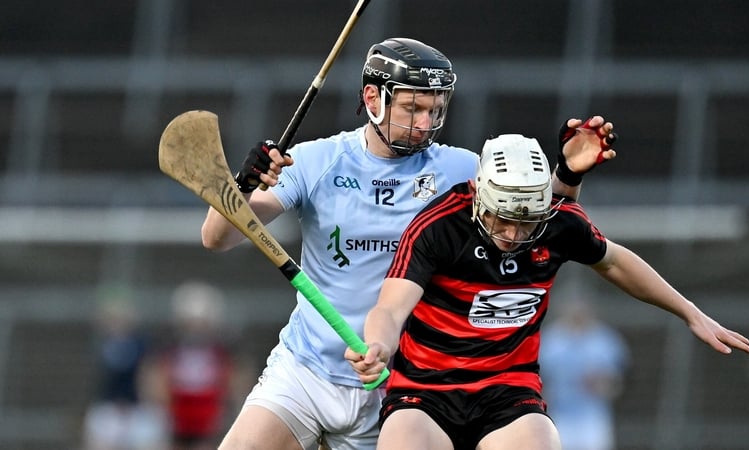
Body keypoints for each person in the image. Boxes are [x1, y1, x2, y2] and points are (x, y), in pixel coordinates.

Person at [201, 37, 616, 450]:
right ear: (373, 97)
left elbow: (538, 220)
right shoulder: (314, 161)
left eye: (434, 110)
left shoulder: (460, 170)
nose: (424, 123)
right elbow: (217, 237)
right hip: (307, 370)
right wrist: (244, 182)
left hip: (406, 388)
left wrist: (568, 176)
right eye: (412, 108)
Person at [345, 133, 749, 450]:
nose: (513, 233)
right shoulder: (438, 227)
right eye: (503, 219)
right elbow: (391, 307)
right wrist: (379, 343)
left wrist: (688, 312)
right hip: (424, 390)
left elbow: (614, 261)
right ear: (480, 194)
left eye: (526, 222)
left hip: (508, 388)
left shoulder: (559, 222)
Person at [145, 281, 247, 450]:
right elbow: (156, 374)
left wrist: (230, 403)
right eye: (191, 322)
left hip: (208, 407)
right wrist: (160, 404)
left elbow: (236, 376)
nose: (196, 328)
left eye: (201, 322)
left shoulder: (223, 348)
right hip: (179, 407)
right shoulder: (169, 346)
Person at [538, 297, 630, 450]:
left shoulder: (605, 340)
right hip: (559, 414)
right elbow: (537, 378)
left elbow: (619, 381)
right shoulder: (550, 340)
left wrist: (603, 385)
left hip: (593, 416)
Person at [83, 288, 168, 450]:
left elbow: (148, 375)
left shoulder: (142, 343)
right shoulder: (102, 344)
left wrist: (149, 401)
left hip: (137, 408)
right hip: (110, 407)